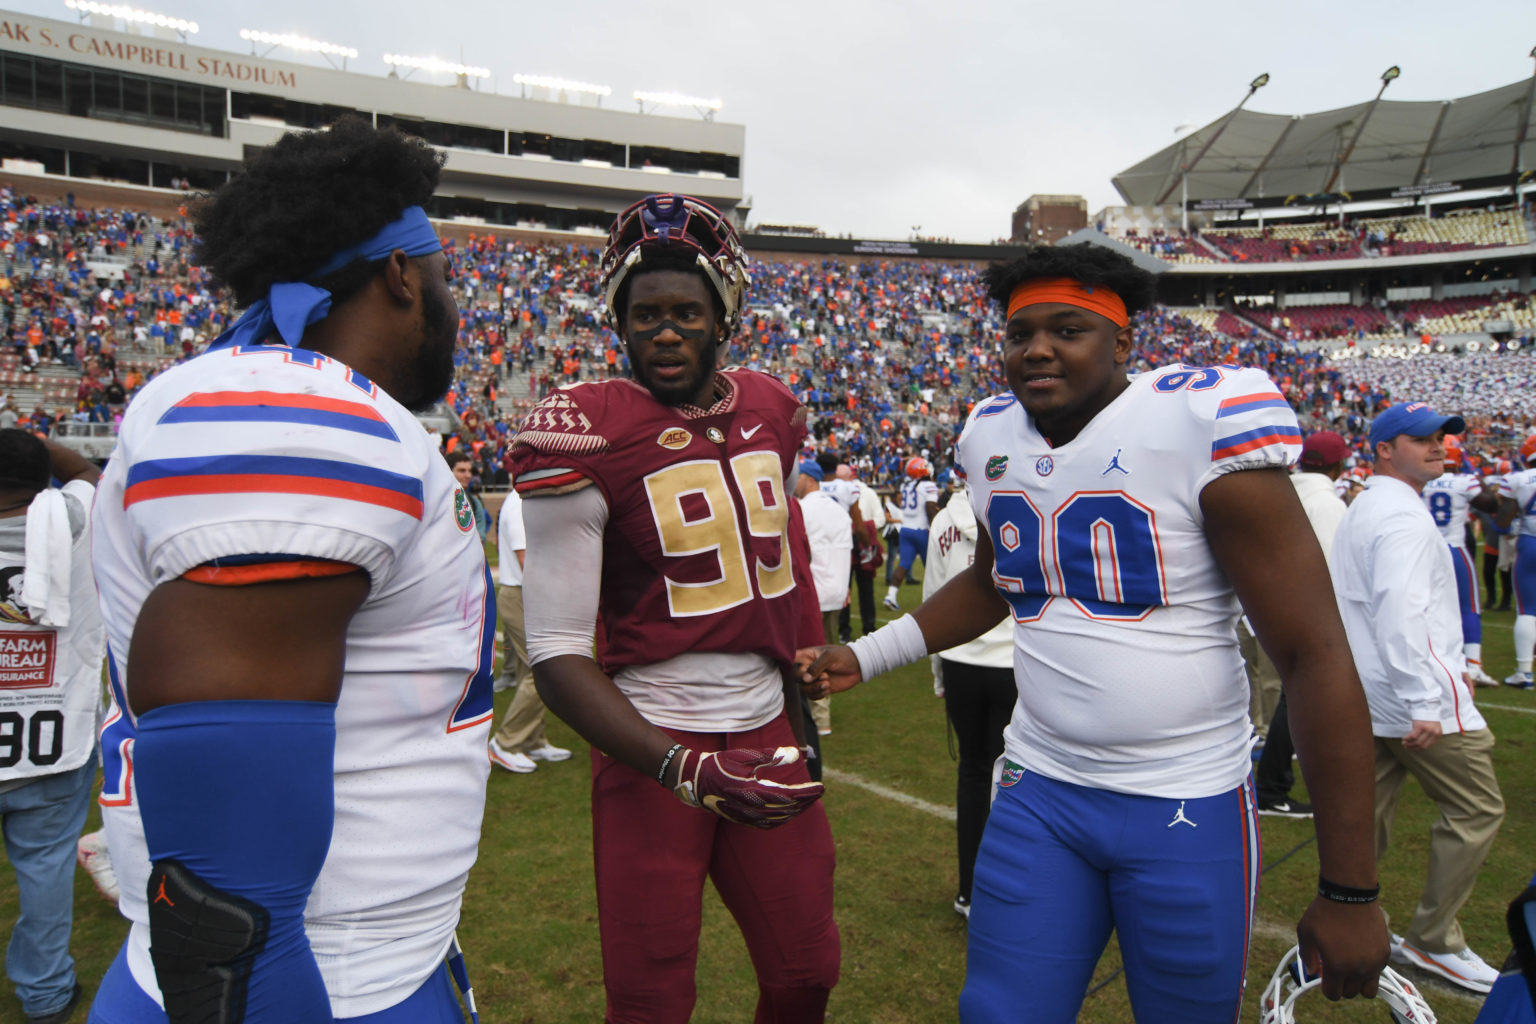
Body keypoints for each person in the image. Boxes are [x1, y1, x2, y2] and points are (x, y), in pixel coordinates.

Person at [802, 244, 1387, 1023]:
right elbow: (992, 582)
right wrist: (867, 653)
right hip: (1040, 788)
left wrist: (1349, 889)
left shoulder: (1197, 422)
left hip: (1186, 796)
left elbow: (1314, 655)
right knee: (999, 1014)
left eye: (1068, 329)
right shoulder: (989, 434)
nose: (1037, 348)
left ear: (1124, 342)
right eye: (1020, 333)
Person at [88, 118, 494, 1023]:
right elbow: (227, 918)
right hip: (313, 988)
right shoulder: (294, 414)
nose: (453, 306)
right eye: (444, 278)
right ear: (400, 274)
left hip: (349, 961)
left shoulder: (258, 399)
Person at [511, 193, 837, 1023]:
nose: (665, 331)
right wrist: (679, 766)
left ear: (722, 316)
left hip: (766, 730)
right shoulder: (582, 428)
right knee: (651, 999)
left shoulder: (770, 407)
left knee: (807, 973)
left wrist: (801, 678)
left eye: (686, 312)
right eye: (644, 313)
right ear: (618, 322)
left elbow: (786, 547)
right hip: (651, 741)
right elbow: (553, 651)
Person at [1332, 401, 1506, 994]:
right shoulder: (1400, 517)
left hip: (1371, 690)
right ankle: (1433, 941)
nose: (1438, 447)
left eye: (1441, 438)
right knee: (1476, 808)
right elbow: (1402, 614)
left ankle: (1351, 922)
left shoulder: (1369, 505)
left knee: (1367, 818)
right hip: (1409, 694)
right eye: (1422, 439)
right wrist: (1424, 700)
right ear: (1385, 448)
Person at [0, 432, 103, 1024]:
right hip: (50, 735)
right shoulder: (73, 522)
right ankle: (43, 991)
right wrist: (40, 443)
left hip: (50, 738)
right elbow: (89, 473)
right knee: (44, 870)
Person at [921, 483, 1013, 920]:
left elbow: (932, 601)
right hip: (1014, 660)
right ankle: (1005, 891)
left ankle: (970, 890)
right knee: (1016, 779)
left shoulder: (944, 519)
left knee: (974, 772)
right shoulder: (1024, 502)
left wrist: (939, 670)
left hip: (960, 658)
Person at [1251, 429, 1351, 818]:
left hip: (1261, 604)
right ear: (1338, 465)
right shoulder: (1326, 502)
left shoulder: (1287, 488)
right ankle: (1273, 787)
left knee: (1277, 696)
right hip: (1298, 610)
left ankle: (1270, 782)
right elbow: (1326, 568)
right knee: (1296, 700)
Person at [486, 485, 573, 772]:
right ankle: (506, 742)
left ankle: (532, 740)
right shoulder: (519, 503)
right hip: (523, 595)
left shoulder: (524, 500)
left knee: (530, 671)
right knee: (543, 672)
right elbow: (527, 560)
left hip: (524, 594)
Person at [1422, 438, 1500, 686]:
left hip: (1425, 550)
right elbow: (1490, 504)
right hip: (1455, 549)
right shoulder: (1464, 481)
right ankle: (1474, 665)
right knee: (1469, 606)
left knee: (1426, 607)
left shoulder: (1421, 482)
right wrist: (1478, 478)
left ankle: (1433, 661)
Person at [796, 459, 852, 737]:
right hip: (837, 590)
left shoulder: (802, 508)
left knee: (808, 657)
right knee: (826, 652)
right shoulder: (839, 510)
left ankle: (818, 718)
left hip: (812, 592)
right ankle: (822, 717)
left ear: (808, 479)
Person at [1497, 458, 1536, 688]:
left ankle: (1524, 672)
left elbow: (1503, 520)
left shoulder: (1517, 478)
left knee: (1527, 609)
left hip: (1531, 543)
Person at [883, 455, 938, 611]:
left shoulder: (906, 485)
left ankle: (891, 596)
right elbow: (930, 509)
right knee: (932, 567)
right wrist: (935, 525)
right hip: (922, 531)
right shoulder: (928, 486)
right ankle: (932, 601)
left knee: (903, 564)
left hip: (905, 530)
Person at [446, 449, 491, 540]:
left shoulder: (474, 503)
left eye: (470, 471)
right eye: (462, 471)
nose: (468, 475)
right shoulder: (434, 501)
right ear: (448, 472)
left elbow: (480, 539)